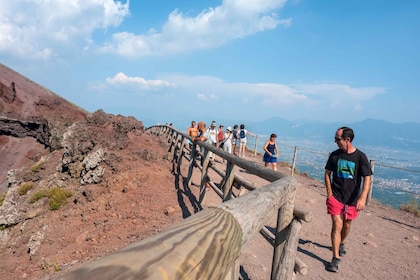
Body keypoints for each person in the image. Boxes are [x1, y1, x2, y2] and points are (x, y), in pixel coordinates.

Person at [324, 127, 373, 273]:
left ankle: (342, 242)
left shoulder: (360, 157)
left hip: (352, 199)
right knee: (337, 224)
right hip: (336, 197)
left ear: (347, 140)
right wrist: (329, 193)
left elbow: (367, 178)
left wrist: (363, 198)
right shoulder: (334, 155)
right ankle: (335, 258)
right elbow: (327, 174)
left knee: (347, 225)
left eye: (337, 139)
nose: (335, 142)